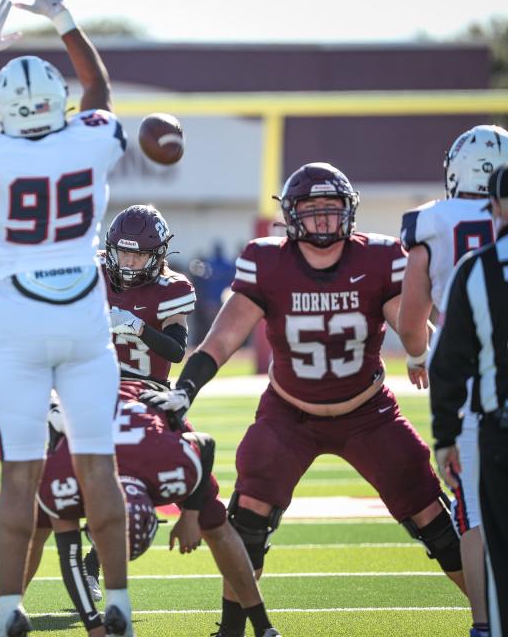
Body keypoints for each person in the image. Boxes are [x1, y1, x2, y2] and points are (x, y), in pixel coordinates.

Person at [141, 163, 469, 622]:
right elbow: (221, 339)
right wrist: (185, 390)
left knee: (432, 517)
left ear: (349, 212)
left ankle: (491, 616)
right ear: (290, 216)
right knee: (248, 519)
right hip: (288, 415)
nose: (322, 219)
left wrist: (430, 358)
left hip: (369, 413)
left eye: (331, 209)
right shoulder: (267, 261)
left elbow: (413, 326)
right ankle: (233, 629)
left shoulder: (378, 258)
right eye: (311, 209)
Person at [0, 0, 130, 634]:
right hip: (83, 317)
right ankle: (119, 604)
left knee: (20, 473)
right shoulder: (93, 135)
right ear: (60, 104)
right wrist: (63, 18)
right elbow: (99, 87)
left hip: (18, 314)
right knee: (98, 465)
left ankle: (8, 612)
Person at [30, 380, 280, 637]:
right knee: (35, 525)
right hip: (90, 403)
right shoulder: (65, 475)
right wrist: (94, 625)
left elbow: (205, 445)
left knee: (212, 519)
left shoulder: (168, 468)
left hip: (144, 408)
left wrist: (191, 515)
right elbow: (70, 557)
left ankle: (263, 627)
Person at [397, 124, 508, 637]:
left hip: (465, 385)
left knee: (477, 512)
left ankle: (484, 622)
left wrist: (419, 354)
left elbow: (412, 310)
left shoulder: (433, 221)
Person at [430, 164, 508, 637]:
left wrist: (444, 436)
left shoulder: (476, 271)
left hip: (497, 428)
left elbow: (448, 364)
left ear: (496, 208)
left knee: (496, 543)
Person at [102, 205, 194, 384]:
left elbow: (176, 351)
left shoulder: (171, 288)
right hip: (93, 384)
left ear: (158, 254)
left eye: (140, 254)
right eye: (124, 252)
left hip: (146, 389)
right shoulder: (94, 270)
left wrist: (139, 328)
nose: (129, 262)